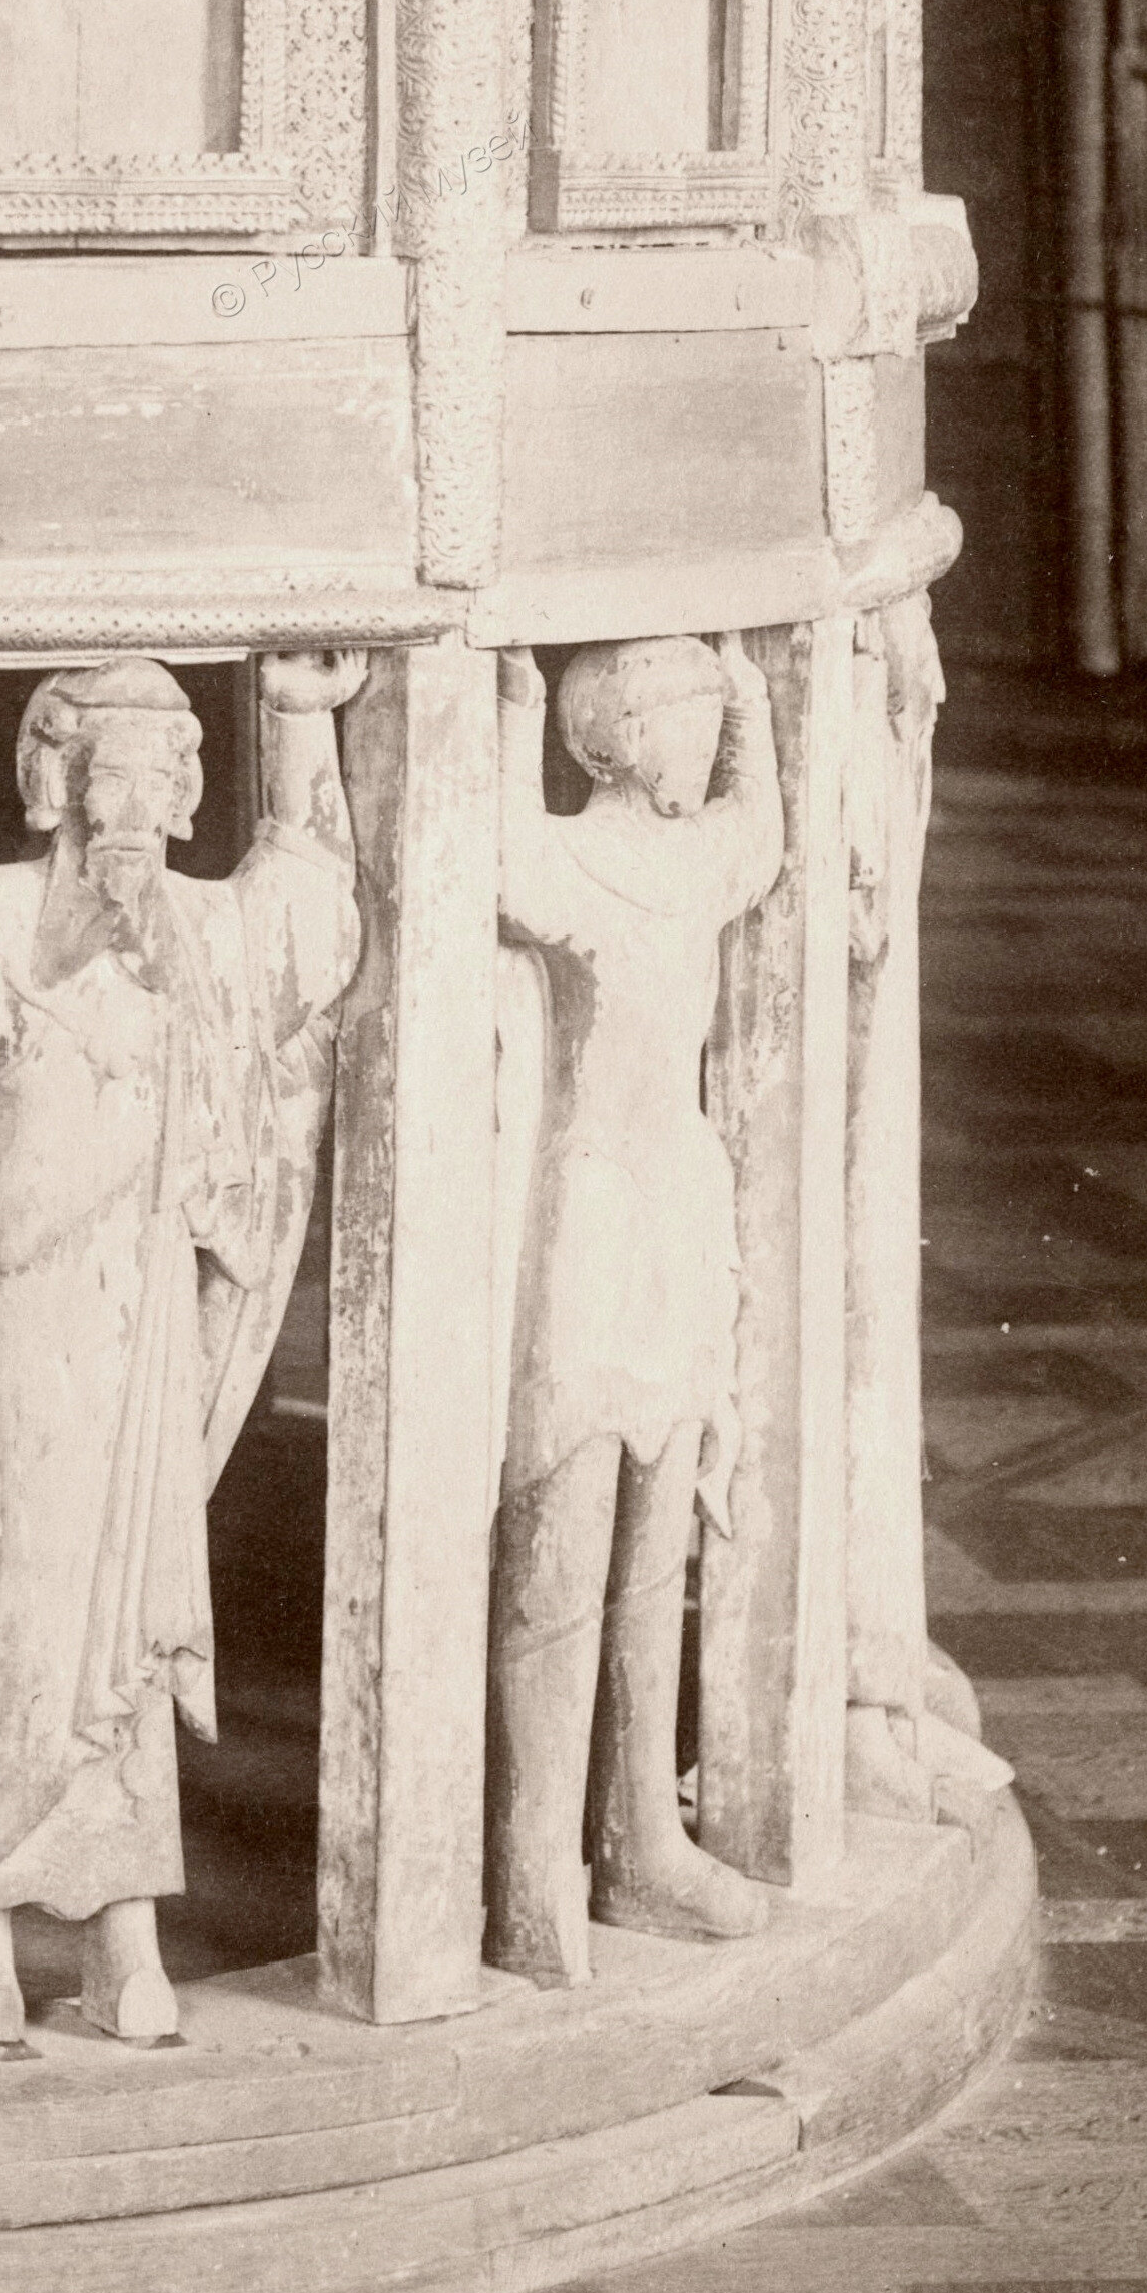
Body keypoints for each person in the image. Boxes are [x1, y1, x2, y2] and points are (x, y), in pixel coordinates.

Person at [0, 647, 364, 2049]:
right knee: (28, 1596)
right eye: (119, 766)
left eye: (170, 771)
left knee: (141, 1612)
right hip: (26, 1314)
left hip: (143, 1310)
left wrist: (302, 716)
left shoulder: (201, 933)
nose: (148, 796)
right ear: (54, 779)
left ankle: (123, 1932)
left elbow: (316, 921)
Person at [487, 629, 784, 1979]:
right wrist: (508, 709)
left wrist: (756, 699)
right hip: (593, 1204)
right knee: (564, 1529)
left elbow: (759, 835)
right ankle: (532, 1866)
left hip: (675, 1194)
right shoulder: (574, 862)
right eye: (682, 713)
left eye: (704, 715)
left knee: (660, 1527)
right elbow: (504, 855)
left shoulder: (697, 858)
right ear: (611, 735)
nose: (700, 738)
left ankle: (642, 1840)